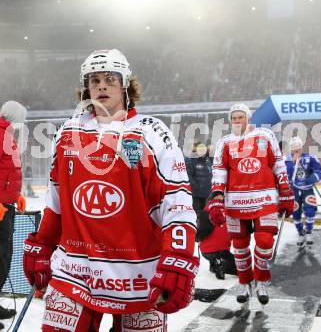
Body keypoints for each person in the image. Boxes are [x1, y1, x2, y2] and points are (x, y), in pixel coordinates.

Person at [22, 49, 199, 332]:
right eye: (94, 81)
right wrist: (43, 243)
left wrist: (178, 259)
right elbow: (56, 200)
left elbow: (176, 203)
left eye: (109, 79)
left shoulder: (152, 132)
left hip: (137, 275)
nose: (101, 86)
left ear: (126, 85)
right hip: (75, 271)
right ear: (86, 89)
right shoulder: (67, 132)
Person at [207, 103, 294, 305]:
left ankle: (261, 280)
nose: (237, 121)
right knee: (239, 246)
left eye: (241, 117)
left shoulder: (265, 135)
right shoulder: (225, 142)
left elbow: (278, 163)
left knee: (264, 243)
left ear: (248, 118)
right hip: (236, 202)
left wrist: (286, 191)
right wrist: (217, 198)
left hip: (265, 200)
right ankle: (245, 283)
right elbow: (219, 170)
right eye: (234, 118)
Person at [0, 101, 27, 328]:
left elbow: (12, 171)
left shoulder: (9, 136)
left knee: (5, 256)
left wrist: (17, 194)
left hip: (7, 205)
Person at [285, 136, 321, 249]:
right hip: (295, 191)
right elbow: (285, 176)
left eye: (299, 148)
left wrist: (313, 178)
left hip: (307, 189)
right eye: (295, 149)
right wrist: (292, 165)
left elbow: (320, 171)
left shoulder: (310, 158)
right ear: (292, 149)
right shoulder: (287, 160)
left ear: (302, 147)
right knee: (296, 214)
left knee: (310, 211)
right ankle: (301, 234)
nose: (297, 150)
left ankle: (309, 232)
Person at [196, 208, 236, 280]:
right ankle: (220, 264)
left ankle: (214, 265)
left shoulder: (205, 213)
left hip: (205, 251)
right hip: (221, 251)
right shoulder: (228, 212)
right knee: (241, 268)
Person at [186, 142, 212, 214]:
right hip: (196, 194)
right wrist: (195, 187)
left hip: (207, 193)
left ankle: (203, 225)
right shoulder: (192, 160)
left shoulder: (208, 160)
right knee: (195, 213)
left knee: (205, 214)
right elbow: (189, 176)